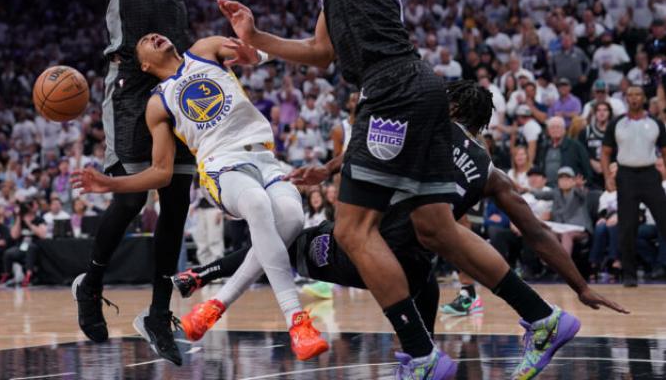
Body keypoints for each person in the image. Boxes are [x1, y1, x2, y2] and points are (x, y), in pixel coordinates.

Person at [218, 0, 579, 379]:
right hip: (415, 88)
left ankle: (421, 354)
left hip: (393, 90)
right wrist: (257, 37)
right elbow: (320, 52)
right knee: (435, 226)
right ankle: (543, 319)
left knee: (352, 229)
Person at [172, 81, 626, 336]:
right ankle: (420, 358)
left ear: (449, 106)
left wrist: (326, 169)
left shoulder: (425, 130)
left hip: (368, 250)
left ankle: (200, 276)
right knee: (424, 281)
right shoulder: (492, 173)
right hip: (414, 265)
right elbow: (539, 234)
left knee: (284, 242)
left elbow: (369, 148)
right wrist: (580, 286)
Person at [73, 0, 223, 364]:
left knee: (177, 200)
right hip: (132, 80)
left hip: (176, 77)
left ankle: (159, 313)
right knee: (133, 196)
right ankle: (91, 282)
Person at [71, 34, 329, 362]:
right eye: (145, 42)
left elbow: (256, 52)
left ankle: (213, 306)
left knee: (291, 219)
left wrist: (257, 47)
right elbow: (161, 172)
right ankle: (297, 320)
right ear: (145, 65)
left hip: (265, 157)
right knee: (257, 205)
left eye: (155, 35)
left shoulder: (204, 50)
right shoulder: (158, 102)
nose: (153, 37)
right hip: (221, 167)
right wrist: (111, 183)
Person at [601, 85, 666, 286]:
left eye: (638, 94)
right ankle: (629, 274)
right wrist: (607, 177)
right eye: (630, 95)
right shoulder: (616, 123)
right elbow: (605, 152)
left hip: (650, 174)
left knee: (664, 219)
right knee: (627, 227)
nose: (634, 98)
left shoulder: (655, 123)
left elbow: (664, 150)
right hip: (626, 175)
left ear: (644, 98)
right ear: (626, 99)